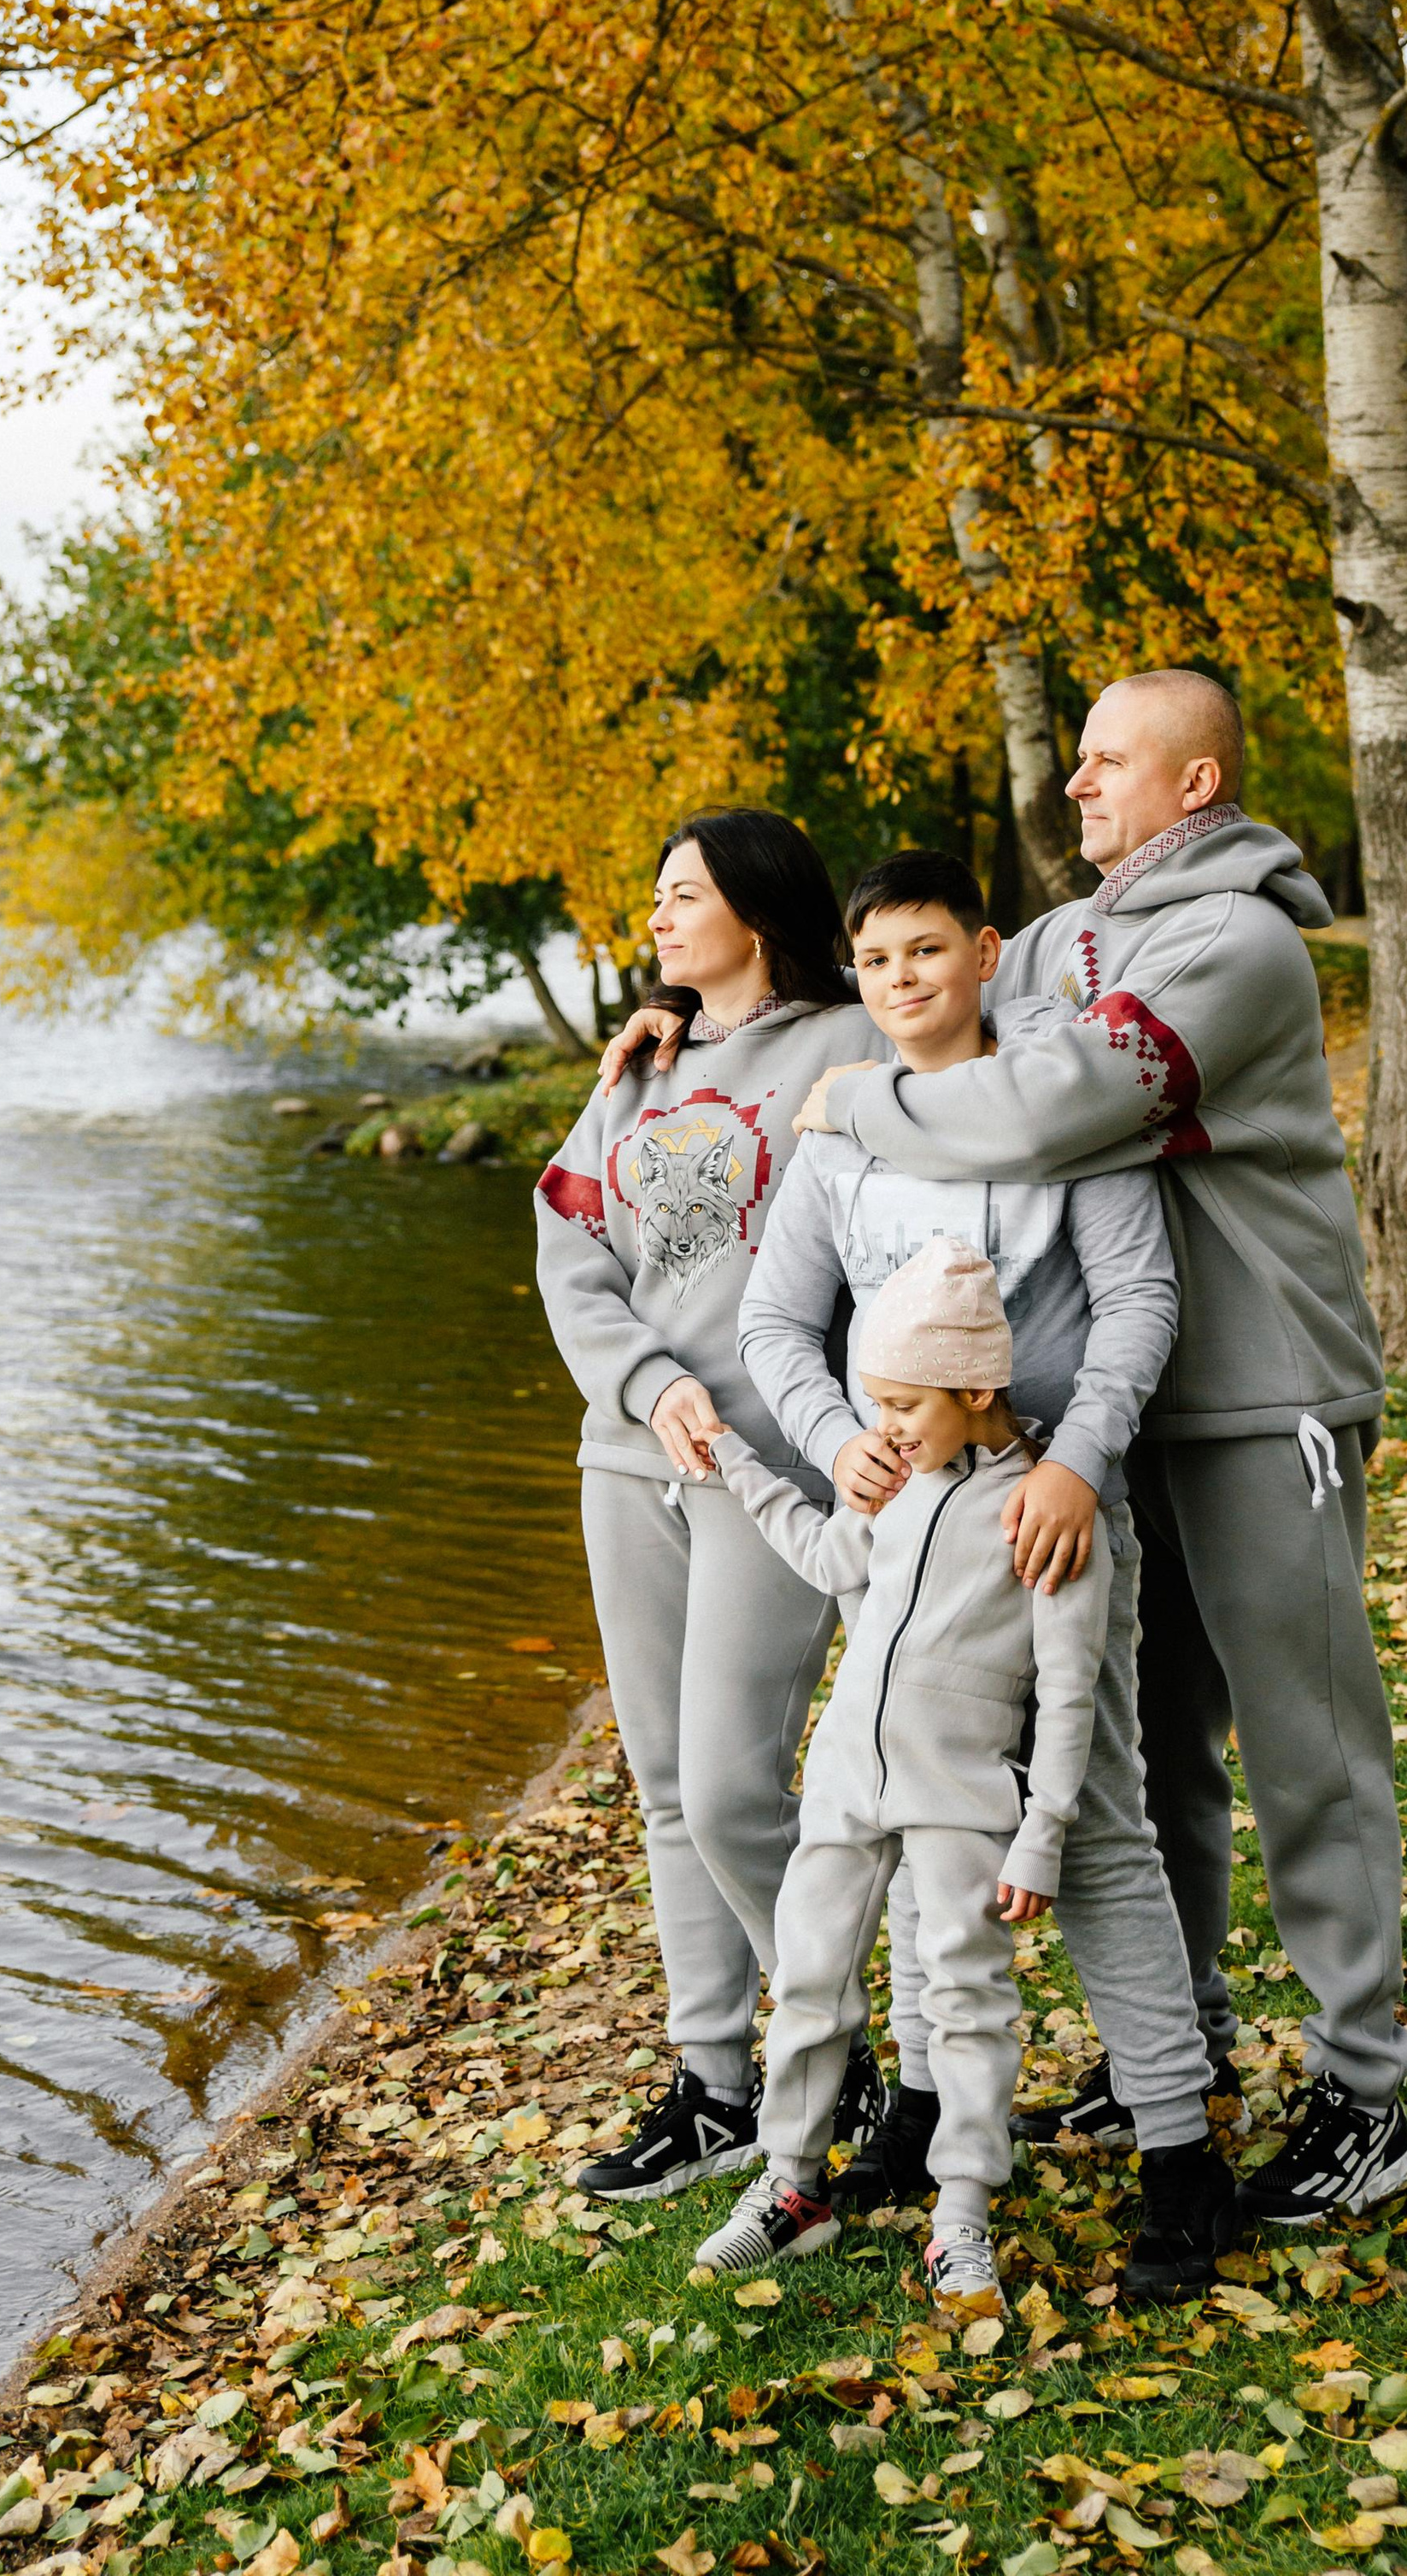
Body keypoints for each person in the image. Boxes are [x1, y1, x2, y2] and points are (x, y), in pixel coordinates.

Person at [607, 677, 1407, 2230]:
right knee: (1153, 1755)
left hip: (1263, 1391)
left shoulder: (1236, 942)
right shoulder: (1060, 941)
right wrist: (686, 1037)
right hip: (1114, 1426)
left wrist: (863, 1104)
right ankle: (1180, 2051)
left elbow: (1048, 1108)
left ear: (1195, 783)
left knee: (1308, 1751)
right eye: (1081, 759)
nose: (1078, 785)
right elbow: (912, 984)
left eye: (1107, 763)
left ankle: (1365, 2093)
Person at [736, 850, 1228, 2283]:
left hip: (1049, 1518)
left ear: (985, 952)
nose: (902, 981)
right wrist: (841, 1441)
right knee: (910, 1818)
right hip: (907, 1537)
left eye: (928, 951)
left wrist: (1078, 1461)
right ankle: (918, 2112)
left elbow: (1139, 1297)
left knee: (1100, 1828)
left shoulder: (1058, 1108)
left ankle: (1180, 2155)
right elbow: (776, 1323)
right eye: (877, 959)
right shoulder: (840, 1133)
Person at [693, 1238, 1234, 2313]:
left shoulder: (1044, 1511)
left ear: (976, 1390)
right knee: (808, 1984)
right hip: (847, 1783)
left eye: (903, 1403)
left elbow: (1071, 1694)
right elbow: (830, 1558)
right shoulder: (895, 1486)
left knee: (967, 2003)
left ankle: (962, 2219)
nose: (882, 1425)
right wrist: (739, 1467)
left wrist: (1042, 1833)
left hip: (960, 1799)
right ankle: (791, 2187)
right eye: (875, 1400)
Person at [533, 807, 889, 2200]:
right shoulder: (645, 1063)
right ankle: (716, 2089)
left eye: (683, 894)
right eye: (658, 896)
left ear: (756, 906)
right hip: (631, 1460)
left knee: (737, 1784)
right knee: (668, 1788)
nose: (658, 917)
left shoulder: (856, 1039)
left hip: (772, 1466)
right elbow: (570, 1238)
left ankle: (838, 2046)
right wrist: (643, 1384)